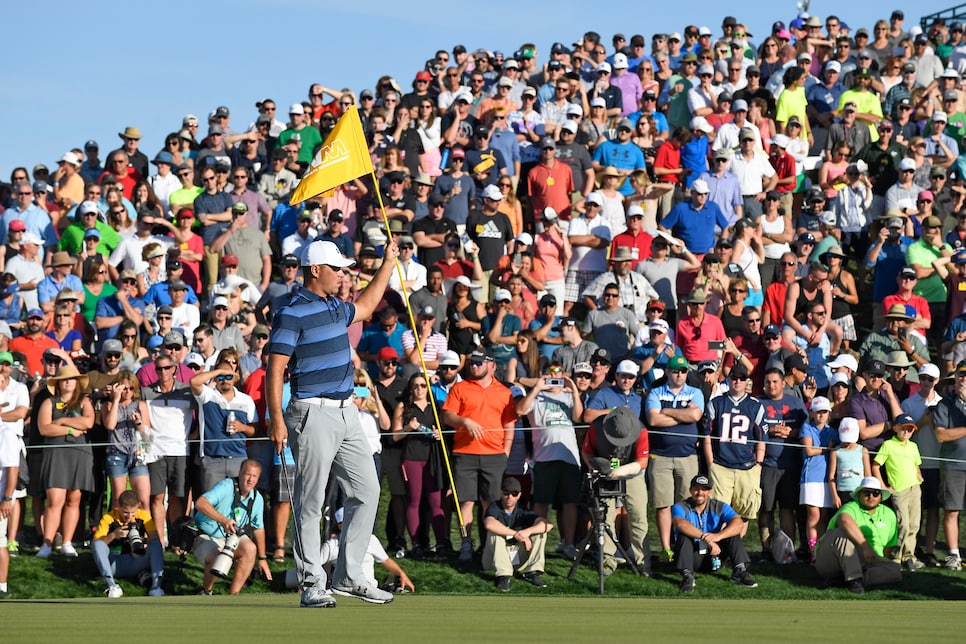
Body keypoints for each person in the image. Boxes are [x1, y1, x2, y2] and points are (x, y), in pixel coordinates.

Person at [267, 239, 399, 608]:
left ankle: (349, 576)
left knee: (367, 490)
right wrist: (276, 419)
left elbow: (369, 304)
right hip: (311, 412)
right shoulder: (292, 311)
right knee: (312, 501)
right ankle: (312, 583)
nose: (344, 275)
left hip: (346, 412)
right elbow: (275, 368)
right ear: (315, 271)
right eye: (337, 269)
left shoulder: (335, 307)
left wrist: (388, 262)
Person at [440, 347, 517, 562]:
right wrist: (465, 421)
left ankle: (488, 546)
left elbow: (509, 423)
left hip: (494, 454)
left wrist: (506, 451)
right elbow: (447, 416)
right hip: (465, 452)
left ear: (491, 365)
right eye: (472, 362)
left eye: (479, 362)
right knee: (465, 501)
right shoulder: (461, 388)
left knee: (489, 503)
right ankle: (466, 544)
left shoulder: (503, 391)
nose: (474, 365)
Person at [516, 370, 583, 559]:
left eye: (558, 373)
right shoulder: (537, 397)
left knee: (570, 502)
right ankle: (537, 543)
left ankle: (568, 544)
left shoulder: (568, 396)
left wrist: (574, 391)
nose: (555, 378)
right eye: (550, 374)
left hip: (569, 458)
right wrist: (537, 387)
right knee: (541, 502)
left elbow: (579, 417)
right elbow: (520, 410)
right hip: (544, 458)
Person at [645, 356, 705, 561]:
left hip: (687, 456)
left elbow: (695, 416)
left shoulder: (695, 392)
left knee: (685, 504)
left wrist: (667, 411)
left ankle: (683, 544)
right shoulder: (656, 392)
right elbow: (653, 419)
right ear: (668, 372)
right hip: (660, 457)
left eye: (683, 371)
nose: (680, 374)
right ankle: (665, 547)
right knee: (663, 504)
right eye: (676, 371)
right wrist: (683, 414)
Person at [581, 406, 651, 575]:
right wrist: (593, 467)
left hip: (632, 473)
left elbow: (642, 461)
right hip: (604, 473)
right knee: (605, 516)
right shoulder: (596, 427)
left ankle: (643, 561)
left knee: (638, 516)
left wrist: (621, 471)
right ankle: (607, 558)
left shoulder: (641, 430)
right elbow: (587, 452)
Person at [35, 365, 95, 558]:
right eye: (64, 379)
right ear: (58, 383)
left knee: (74, 499)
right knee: (55, 500)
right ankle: (47, 542)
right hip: (56, 453)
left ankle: (67, 542)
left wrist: (60, 422)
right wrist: (69, 429)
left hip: (80, 453)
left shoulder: (84, 401)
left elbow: (88, 423)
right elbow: (45, 428)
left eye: (71, 378)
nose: (68, 381)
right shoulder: (49, 402)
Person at [192, 459, 272, 595]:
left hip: (232, 537)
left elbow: (258, 528)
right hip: (205, 534)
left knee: (251, 548)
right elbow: (200, 503)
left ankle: (233, 595)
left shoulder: (257, 498)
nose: (250, 480)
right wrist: (223, 520)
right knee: (217, 555)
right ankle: (206, 591)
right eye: (247, 474)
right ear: (240, 473)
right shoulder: (226, 486)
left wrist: (263, 558)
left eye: (254, 476)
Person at [671, 474, 758, 593]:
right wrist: (706, 539)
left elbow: (738, 523)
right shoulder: (681, 506)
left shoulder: (718, 506)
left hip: (715, 554)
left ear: (710, 492)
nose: (700, 492)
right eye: (696, 488)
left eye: (704, 489)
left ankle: (739, 571)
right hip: (692, 555)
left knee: (732, 532)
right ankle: (687, 576)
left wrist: (719, 536)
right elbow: (680, 523)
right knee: (684, 535)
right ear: (690, 490)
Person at [814, 476, 902, 594]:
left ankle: (845, 579)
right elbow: (844, 519)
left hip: (867, 560)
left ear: (880, 496)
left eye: (875, 493)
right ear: (859, 495)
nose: (871, 496)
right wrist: (865, 546)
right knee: (840, 533)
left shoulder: (889, 514)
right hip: (833, 558)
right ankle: (853, 579)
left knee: (895, 570)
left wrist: (879, 561)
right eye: (867, 493)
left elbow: (889, 546)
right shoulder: (851, 507)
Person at [703, 363, 766, 525]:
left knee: (744, 512)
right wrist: (711, 462)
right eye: (734, 378)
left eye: (742, 378)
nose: (737, 381)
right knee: (718, 511)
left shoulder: (755, 406)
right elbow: (707, 436)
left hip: (747, 466)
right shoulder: (716, 403)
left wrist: (758, 464)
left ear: (747, 382)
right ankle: (720, 548)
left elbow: (761, 439)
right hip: (721, 465)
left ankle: (736, 546)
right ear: (729, 380)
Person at [872, 413, 924, 571]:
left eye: (910, 429)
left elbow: (916, 464)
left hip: (915, 488)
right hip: (899, 491)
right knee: (904, 525)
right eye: (904, 429)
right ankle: (896, 556)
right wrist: (884, 486)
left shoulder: (913, 446)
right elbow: (875, 465)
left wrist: (919, 475)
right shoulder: (888, 445)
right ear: (895, 428)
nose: (907, 432)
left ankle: (909, 557)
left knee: (914, 524)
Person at [483, 476, 553, 591]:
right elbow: (489, 524)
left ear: (519, 495)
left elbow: (547, 525)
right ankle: (503, 576)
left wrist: (527, 532)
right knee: (494, 533)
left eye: (514, 493)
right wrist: (517, 534)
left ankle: (533, 572)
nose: (510, 497)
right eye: (506, 493)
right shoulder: (494, 507)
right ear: (501, 492)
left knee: (540, 533)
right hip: (494, 559)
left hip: (517, 555)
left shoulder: (522, 510)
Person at [91, 489, 165, 598]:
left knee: (156, 544)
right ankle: (111, 585)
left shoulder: (143, 516)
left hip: (136, 559)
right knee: (98, 544)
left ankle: (156, 586)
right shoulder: (109, 518)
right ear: (118, 506)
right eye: (125, 512)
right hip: (114, 563)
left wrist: (140, 540)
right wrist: (113, 536)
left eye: (133, 512)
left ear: (138, 506)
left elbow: (154, 538)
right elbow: (95, 543)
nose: (129, 517)